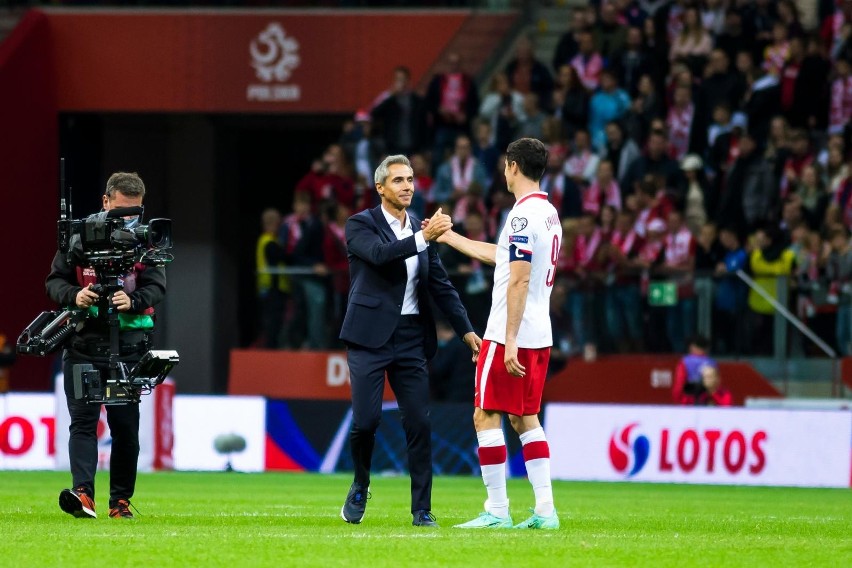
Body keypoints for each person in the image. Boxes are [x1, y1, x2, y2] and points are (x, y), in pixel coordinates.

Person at [338, 155, 481, 528]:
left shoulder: (421, 228)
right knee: (366, 421)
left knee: (419, 422)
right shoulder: (359, 224)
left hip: (411, 338)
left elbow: (441, 285)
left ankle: (422, 509)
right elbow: (380, 256)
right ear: (380, 188)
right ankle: (360, 483)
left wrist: (466, 330)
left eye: (411, 179)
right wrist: (424, 237)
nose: (407, 186)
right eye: (398, 180)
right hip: (369, 337)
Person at [430, 138, 562, 530]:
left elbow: (517, 281)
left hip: (511, 334)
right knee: (525, 419)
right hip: (540, 332)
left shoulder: (521, 218)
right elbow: (503, 256)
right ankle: (545, 511)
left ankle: (498, 511)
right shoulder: (547, 213)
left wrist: (508, 342)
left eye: (506, 166)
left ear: (513, 167)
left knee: (485, 414)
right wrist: (450, 238)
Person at [46, 172, 166, 520]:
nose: (129, 220)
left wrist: (134, 299)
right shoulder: (77, 237)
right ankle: (84, 495)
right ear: (105, 201)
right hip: (83, 342)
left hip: (128, 348)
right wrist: (75, 294)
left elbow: (158, 285)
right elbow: (54, 281)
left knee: (125, 427)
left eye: (135, 212)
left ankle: (120, 503)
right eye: (121, 212)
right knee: (82, 423)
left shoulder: (148, 240)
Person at [256, 208, 290, 349]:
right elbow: (283, 257)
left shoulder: (267, 241)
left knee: (274, 322)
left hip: (271, 289)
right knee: (273, 323)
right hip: (272, 289)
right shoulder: (269, 242)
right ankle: (270, 349)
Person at [671, 336, 717, 405]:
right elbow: (716, 387)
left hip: (687, 401)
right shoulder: (712, 362)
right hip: (706, 401)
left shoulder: (685, 362)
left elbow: (679, 384)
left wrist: (678, 400)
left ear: (692, 347)